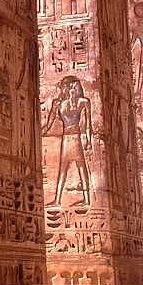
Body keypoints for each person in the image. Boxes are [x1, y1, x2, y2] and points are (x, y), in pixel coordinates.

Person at [42, 75, 92, 208]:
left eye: (63, 86)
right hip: (69, 138)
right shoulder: (58, 103)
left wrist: (89, 141)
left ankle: (85, 200)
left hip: (73, 138)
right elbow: (49, 125)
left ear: (70, 87)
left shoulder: (83, 102)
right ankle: (58, 200)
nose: (61, 89)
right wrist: (40, 133)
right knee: (66, 169)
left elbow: (88, 124)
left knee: (79, 167)